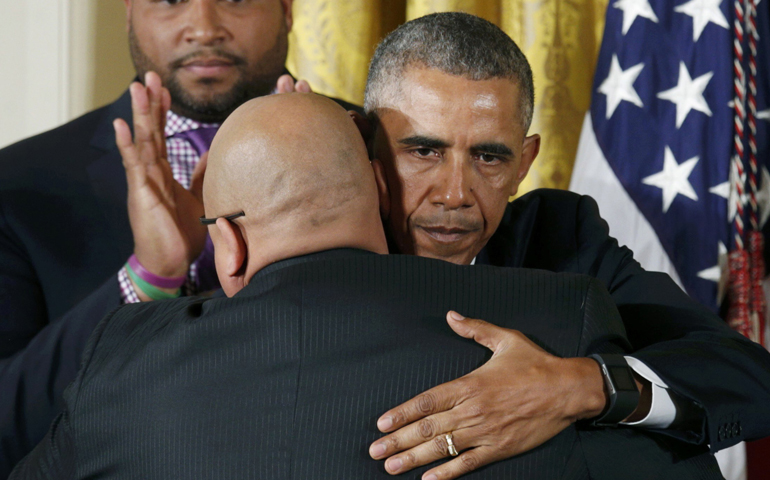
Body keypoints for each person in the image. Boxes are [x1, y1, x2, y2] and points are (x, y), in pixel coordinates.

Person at [9, 93, 722, 480]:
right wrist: (596, 387)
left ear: (225, 243)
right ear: (382, 191)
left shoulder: (119, 364)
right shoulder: (557, 320)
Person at [360, 12, 770, 480]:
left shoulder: (557, 237)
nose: (455, 194)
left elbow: (747, 376)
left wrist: (575, 385)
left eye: (488, 157)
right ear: (367, 147)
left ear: (524, 162)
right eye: (424, 151)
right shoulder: (310, 238)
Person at [0, 0, 357, 474]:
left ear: (288, 10)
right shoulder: (18, 184)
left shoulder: (389, 149)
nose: (204, 28)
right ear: (129, 10)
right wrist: (149, 277)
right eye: (170, 0)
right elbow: (7, 431)